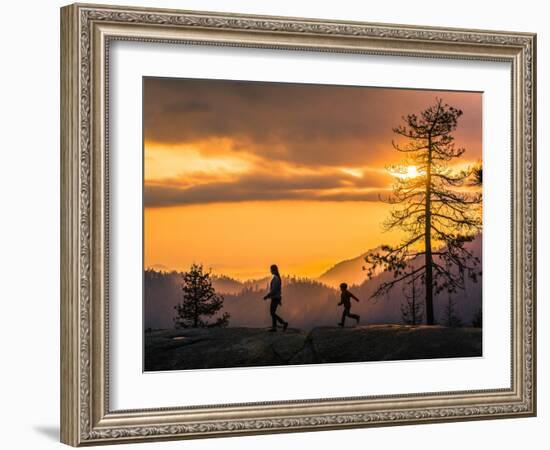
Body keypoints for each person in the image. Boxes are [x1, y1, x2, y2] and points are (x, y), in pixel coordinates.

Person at [263, 264, 288, 332]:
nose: (270, 271)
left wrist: (267, 296)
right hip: (276, 298)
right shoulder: (276, 277)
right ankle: (278, 325)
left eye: (271, 269)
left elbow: (274, 290)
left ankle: (281, 324)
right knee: (272, 312)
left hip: (275, 298)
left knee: (272, 312)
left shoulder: (276, 278)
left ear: (274, 270)